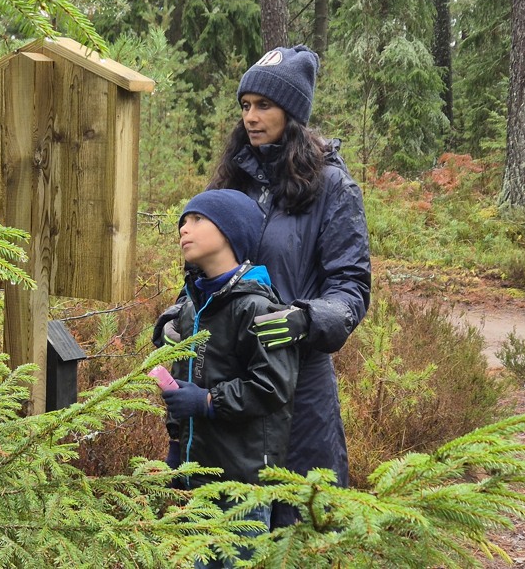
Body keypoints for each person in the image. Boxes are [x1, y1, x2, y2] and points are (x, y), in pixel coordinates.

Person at [199, 44, 371, 527]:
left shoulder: (333, 187)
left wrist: (305, 318)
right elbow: (204, 269)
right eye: (246, 105)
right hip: (234, 377)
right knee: (230, 530)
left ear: (292, 112)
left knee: (302, 526)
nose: (251, 117)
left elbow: (351, 288)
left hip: (301, 382)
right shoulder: (234, 181)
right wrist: (177, 317)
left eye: (264, 105)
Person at [153, 189, 301, 569]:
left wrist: (206, 402)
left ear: (231, 232)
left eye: (197, 219)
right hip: (198, 474)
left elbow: (272, 387)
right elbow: (182, 384)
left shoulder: (259, 306)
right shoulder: (190, 308)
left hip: (243, 484)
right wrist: (176, 446)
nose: (184, 228)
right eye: (182, 222)